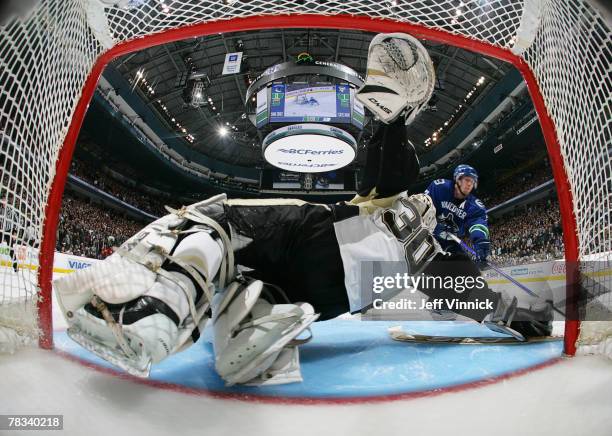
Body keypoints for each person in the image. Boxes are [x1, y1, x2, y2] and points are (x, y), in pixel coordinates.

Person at [54, 33, 552, 387]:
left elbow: (380, 180)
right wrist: (522, 315)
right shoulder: (423, 255)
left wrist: (390, 119)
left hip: (316, 239)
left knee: (216, 222)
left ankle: (149, 315)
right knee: (247, 294)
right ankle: (250, 328)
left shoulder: (404, 217)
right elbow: (462, 291)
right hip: (326, 295)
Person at [424, 164, 491, 264]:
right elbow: (423, 208)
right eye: (467, 180)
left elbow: (478, 223)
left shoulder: (475, 206)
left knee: (465, 267)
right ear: (458, 179)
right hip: (427, 237)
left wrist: (480, 240)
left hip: (450, 241)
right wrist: (434, 225)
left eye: (472, 182)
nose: (470, 184)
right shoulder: (439, 188)